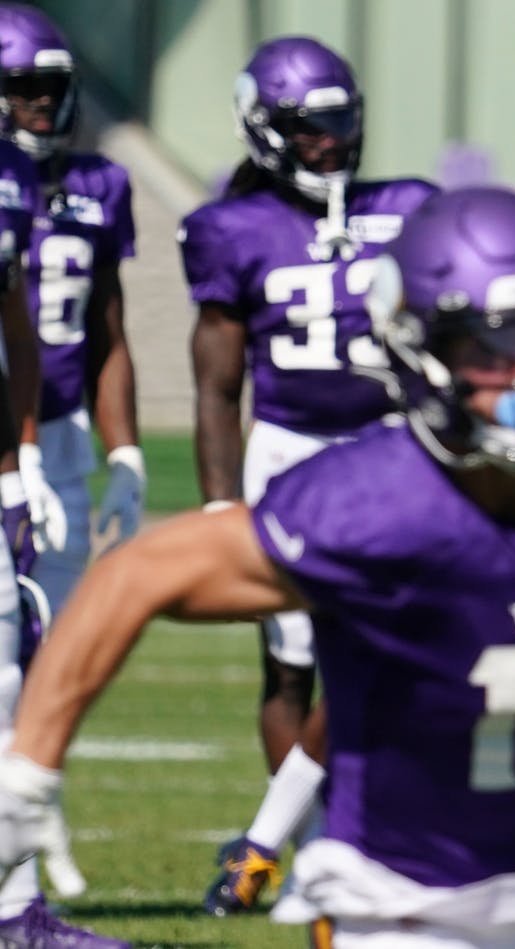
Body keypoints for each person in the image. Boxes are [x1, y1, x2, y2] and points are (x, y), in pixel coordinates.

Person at [0, 185, 515, 949]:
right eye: (493, 349)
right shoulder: (373, 501)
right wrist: (29, 771)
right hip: (403, 908)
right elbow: (133, 575)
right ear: (417, 351)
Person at [180, 35, 437, 915]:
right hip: (289, 454)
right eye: (310, 125)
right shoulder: (231, 228)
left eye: (342, 121)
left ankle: (305, 844)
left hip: (395, 451)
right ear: (265, 128)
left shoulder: (409, 206)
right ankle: (321, 840)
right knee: (293, 663)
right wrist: (220, 503)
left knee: (392, 657)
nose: (332, 140)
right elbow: (217, 386)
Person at [0, 107, 125, 947]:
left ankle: (16, 911)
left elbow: (16, 321)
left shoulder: (14, 183)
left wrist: (23, 458)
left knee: (12, 675)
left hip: (13, 456)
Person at [0, 4, 143, 623]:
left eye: (51, 87)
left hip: (58, 429)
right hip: (8, 429)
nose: (40, 101)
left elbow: (108, 335)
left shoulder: (100, 185)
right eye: (22, 87)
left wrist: (127, 456)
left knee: (50, 639)